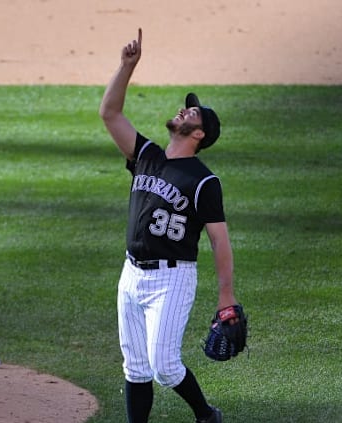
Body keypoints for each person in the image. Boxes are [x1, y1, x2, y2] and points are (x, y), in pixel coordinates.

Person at [99, 28, 236, 423]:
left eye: (191, 113)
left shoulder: (204, 181)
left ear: (199, 134)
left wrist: (225, 296)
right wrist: (127, 66)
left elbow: (219, 240)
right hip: (131, 273)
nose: (183, 110)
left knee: (165, 367)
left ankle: (206, 414)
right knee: (135, 368)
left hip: (172, 280)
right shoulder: (147, 155)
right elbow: (110, 113)